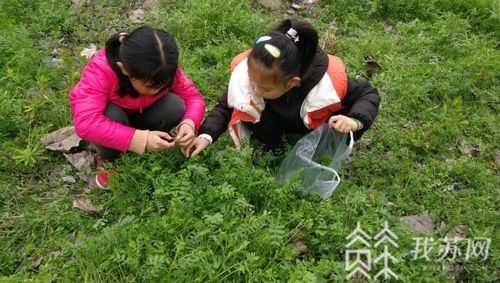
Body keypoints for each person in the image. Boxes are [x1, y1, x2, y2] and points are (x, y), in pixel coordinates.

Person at [185, 19, 379, 157]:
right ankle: (272, 149)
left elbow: (368, 94)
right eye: (252, 81)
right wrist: (206, 135)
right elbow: (226, 105)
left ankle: (315, 151)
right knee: (251, 109)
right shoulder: (257, 70)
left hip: (312, 126)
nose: (256, 89)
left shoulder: (327, 84)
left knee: (342, 128)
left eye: (265, 88)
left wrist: (354, 121)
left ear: (292, 83)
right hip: (279, 121)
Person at [69, 26, 205, 189]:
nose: (157, 90)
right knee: (110, 116)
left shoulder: (162, 66)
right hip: (116, 118)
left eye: (163, 84)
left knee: (175, 106)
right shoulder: (101, 70)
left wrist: (189, 123)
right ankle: (108, 159)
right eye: (150, 86)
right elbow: (85, 123)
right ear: (124, 69)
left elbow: (193, 97)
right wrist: (140, 139)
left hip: (142, 114)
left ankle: (144, 140)